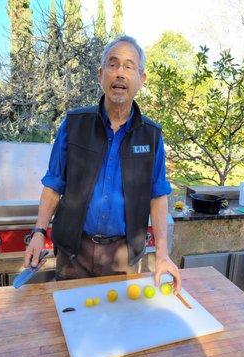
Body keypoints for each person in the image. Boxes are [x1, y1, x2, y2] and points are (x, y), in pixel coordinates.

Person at [24, 35, 181, 292]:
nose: (120, 73)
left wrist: (162, 254)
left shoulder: (151, 135)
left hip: (123, 256)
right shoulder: (74, 124)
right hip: (74, 252)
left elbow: (158, 196)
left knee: (118, 325)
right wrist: (39, 232)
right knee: (69, 321)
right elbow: (54, 184)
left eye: (129, 66)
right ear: (100, 74)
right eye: (113, 64)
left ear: (141, 79)